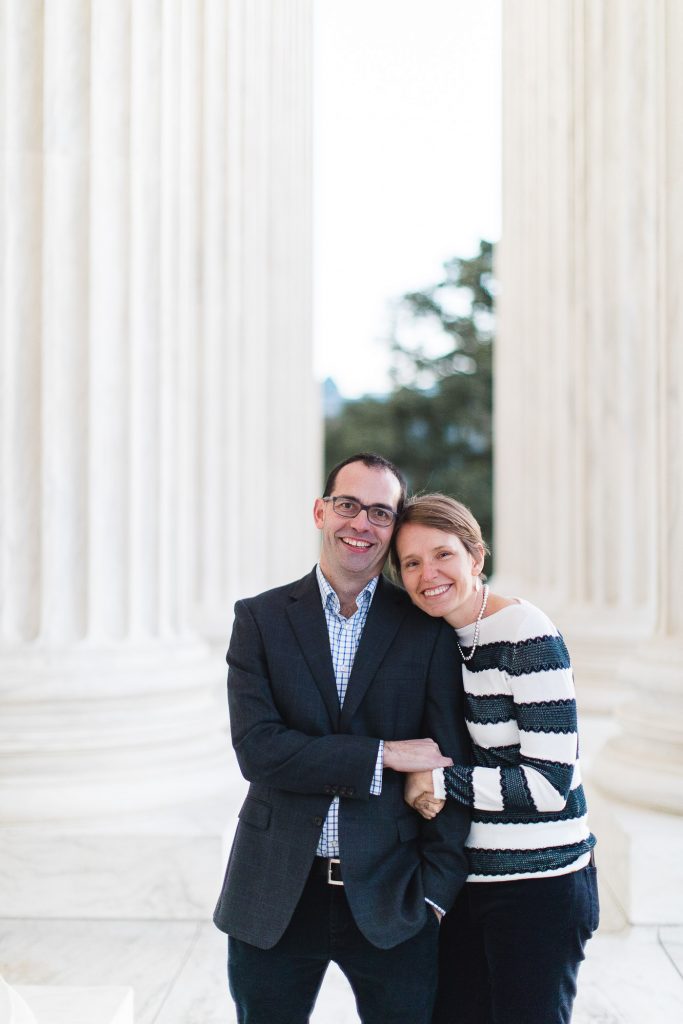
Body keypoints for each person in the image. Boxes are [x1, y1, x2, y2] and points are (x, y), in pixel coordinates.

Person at [213, 454, 471, 1024]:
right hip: (275, 889)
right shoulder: (259, 619)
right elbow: (258, 750)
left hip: (395, 895)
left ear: (393, 526)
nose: (362, 523)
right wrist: (384, 755)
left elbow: (451, 760)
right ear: (320, 511)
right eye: (349, 505)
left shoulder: (426, 628)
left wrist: (436, 895)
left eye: (380, 512)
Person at [393, 493, 599, 1024]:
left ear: (476, 558)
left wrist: (439, 782)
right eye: (411, 563)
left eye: (443, 555)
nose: (427, 573)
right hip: (466, 880)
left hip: (540, 887)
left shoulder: (526, 633)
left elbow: (550, 784)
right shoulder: (437, 637)